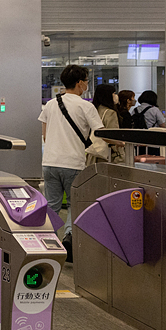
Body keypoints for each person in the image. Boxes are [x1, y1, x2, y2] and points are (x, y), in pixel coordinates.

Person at [38, 64, 104, 262]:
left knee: (52, 205)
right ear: (79, 83)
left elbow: (45, 135)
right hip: (73, 163)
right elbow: (100, 132)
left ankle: (45, 241)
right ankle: (69, 239)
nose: (86, 84)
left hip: (49, 162)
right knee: (75, 205)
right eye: (85, 80)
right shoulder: (85, 106)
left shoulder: (50, 104)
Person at [86, 84, 124, 165]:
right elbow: (113, 135)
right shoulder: (110, 113)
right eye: (114, 93)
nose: (116, 96)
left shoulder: (93, 110)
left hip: (93, 152)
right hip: (107, 155)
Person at [132, 90, 166, 156]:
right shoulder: (155, 110)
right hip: (152, 140)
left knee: (139, 159)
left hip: (138, 140)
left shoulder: (135, 110)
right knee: (153, 161)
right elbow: (162, 125)